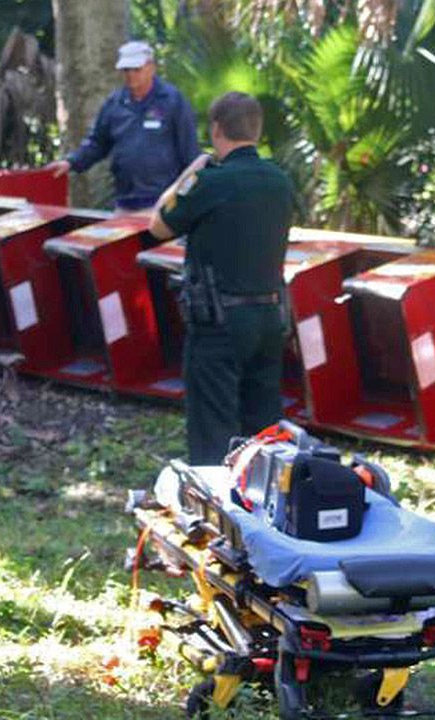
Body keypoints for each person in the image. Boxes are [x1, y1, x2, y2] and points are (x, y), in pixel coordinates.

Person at [148, 91, 296, 464]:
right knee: (265, 430)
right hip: (270, 318)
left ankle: (217, 508)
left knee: (214, 429)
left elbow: (158, 225)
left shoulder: (210, 182)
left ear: (216, 130)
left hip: (219, 323)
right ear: (257, 131)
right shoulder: (280, 182)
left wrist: (191, 171)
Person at [45, 40, 200, 211]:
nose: (131, 75)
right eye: (126, 70)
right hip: (125, 202)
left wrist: (188, 199)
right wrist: (70, 162)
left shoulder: (173, 101)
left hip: (164, 201)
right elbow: (97, 142)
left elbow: (190, 152)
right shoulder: (115, 103)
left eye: (136, 69)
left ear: (151, 67)